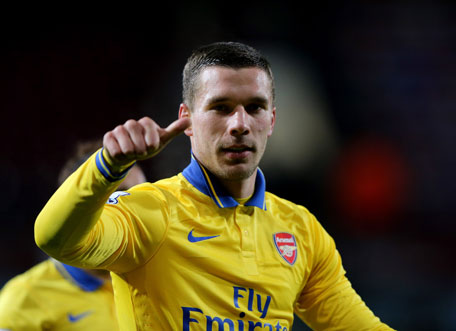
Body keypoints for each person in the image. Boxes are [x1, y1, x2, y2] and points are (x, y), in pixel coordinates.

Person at [34, 42, 394, 330]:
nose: (239, 123)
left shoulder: (301, 232)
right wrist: (106, 166)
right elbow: (55, 239)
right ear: (187, 120)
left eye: (254, 108)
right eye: (220, 108)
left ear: (271, 120)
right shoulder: (149, 213)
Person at [0, 140, 146, 330]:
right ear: (75, 209)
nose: (134, 209)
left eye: (142, 193)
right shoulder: (24, 298)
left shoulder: (155, 277)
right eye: (118, 195)